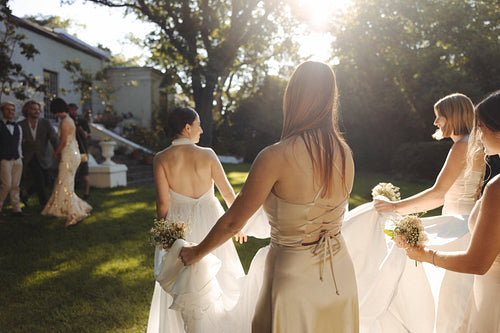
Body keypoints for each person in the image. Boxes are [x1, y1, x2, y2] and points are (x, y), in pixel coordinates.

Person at [180, 61, 359, 332]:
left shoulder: (275, 156)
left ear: (294, 98)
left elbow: (233, 222)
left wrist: (196, 252)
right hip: (340, 274)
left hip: (293, 280)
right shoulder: (345, 153)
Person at [341, 93, 484, 333]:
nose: (436, 122)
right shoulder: (475, 144)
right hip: (466, 224)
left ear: (454, 116)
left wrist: (394, 207)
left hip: (456, 228)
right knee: (456, 297)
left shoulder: (462, 146)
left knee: (451, 300)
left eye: (440, 117)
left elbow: (438, 195)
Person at [146, 106, 249, 333]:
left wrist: (165, 234)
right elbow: (229, 194)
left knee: (184, 283)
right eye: (199, 124)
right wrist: (238, 224)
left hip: (181, 227)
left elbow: (163, 203)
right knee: (221, 278)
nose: (201, 130)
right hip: (213, 223)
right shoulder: (208, 154)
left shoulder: (161, 158)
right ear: (187, 127)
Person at [404, 90, 500, 333]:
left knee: (452, 305)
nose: (478, 133)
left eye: (482, 127)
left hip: (490, 295)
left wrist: (425, 255)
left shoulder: (496, 188)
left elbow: (477, 262)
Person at [41, 98, 92, 227]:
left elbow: (63, 141)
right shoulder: (69, 120)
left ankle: (73, 215)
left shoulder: (65, 121)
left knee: (66, 185)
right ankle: (72, 209)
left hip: (69, 155)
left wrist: (56, 152)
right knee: (65, 183)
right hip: (73, 153)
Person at [18, 100, 59, 208]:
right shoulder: (20, 125)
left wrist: (58, 150)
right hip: (29, 157)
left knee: (46, 181)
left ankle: (25, 194)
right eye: (33, 109)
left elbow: (53, 137)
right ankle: (44, 204)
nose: (36, 111)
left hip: (44, 156)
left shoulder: (45, 123)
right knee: (39, 180)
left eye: (38, 109)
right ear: (27, 110)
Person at [0, 102, 26, 218]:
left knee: (16, 185)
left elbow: (18, 144)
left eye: (12, 110)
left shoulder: (18, 127)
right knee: (6, 185)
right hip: (4, 159)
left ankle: (17, 209)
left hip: (17, 158)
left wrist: (19, 157)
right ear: (2, 111)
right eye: (8, 110)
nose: (10, 112)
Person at [68, 103, 90, 201]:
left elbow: (86, 135)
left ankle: (86, 194)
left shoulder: (82, 122)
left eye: (75, 110)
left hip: (82, 151)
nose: (74, 112)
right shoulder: (67, 121)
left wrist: (80, 130)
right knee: (72, 174)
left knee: (85, 175)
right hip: (71, 151)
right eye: (71, 110)